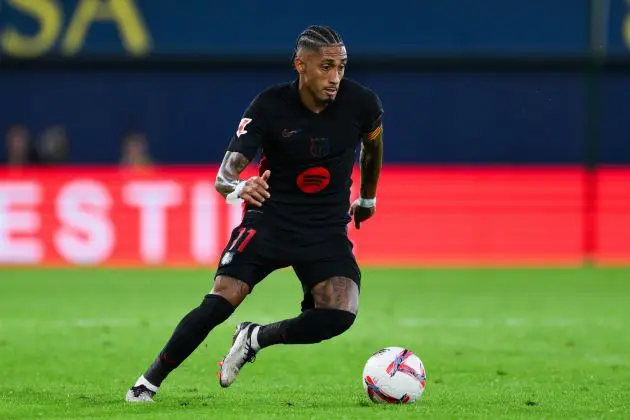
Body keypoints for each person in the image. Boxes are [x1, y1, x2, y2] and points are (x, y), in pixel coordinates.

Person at [125, 24, 384, 403]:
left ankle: (254, 337)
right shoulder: (269, 106)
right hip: (271, 219)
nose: (335, 78)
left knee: (340, 312)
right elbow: (224, 175)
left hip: (325, 228)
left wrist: (368, 198)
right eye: (326, 67)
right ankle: (148, 382)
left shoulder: (362, 103)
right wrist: (239, 187)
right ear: (300, 65)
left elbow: (373, 149)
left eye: (341, 67)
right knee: (221, 299)